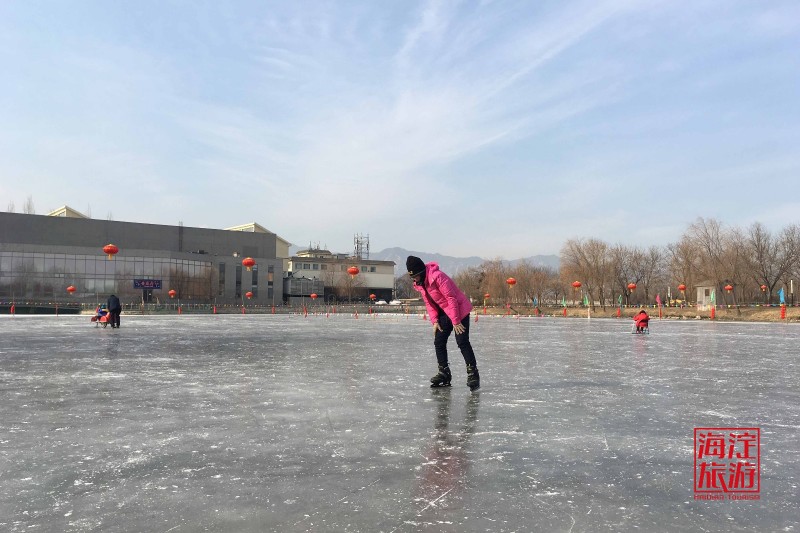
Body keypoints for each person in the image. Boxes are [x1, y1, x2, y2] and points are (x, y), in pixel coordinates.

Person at [407, 256, 480, 391]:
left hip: (459, 310)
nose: (414, 279)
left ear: (422, 271)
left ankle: (473, 374)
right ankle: (444, 373)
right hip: (444, 313)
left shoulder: (438, 276)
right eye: (412, 277)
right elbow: (429, 303)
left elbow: (451, 298)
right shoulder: (420, 284)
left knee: (462, 341)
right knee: (439, 341)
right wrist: (434, 320)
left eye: (416, 276)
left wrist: (456, 320)